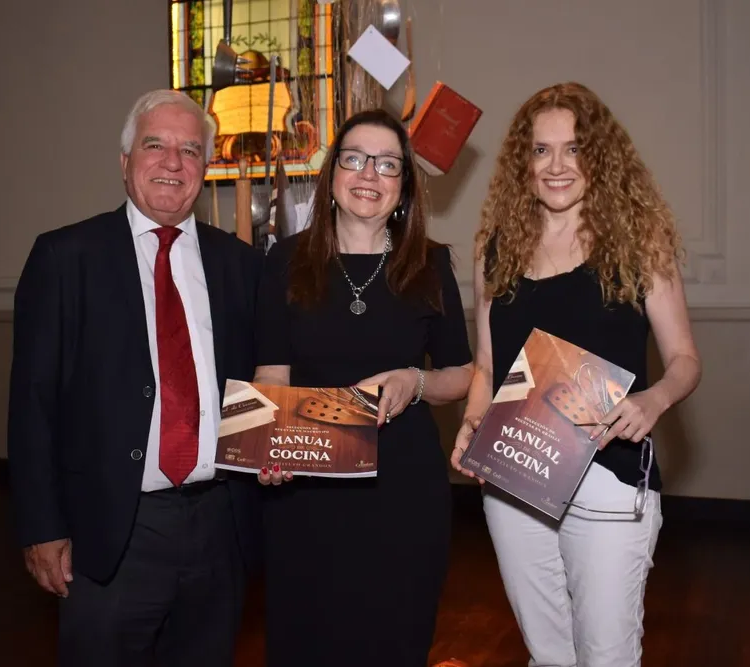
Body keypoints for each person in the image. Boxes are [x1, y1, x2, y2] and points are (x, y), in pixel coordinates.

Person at [7, 89, 264, 667]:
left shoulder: (242, 266)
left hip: (220, 527)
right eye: (155, 145)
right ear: (125, 162)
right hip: (109, 533)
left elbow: (257, 383)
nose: (173, 162)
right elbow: (32, 405)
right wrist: (41, 527)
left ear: (206, 167)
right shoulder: (65, 258)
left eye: (190, 150)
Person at [451, 82, 702, 667]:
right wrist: (471, 421)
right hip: (516, 476)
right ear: (523, 161)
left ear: (600, 156)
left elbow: (686, 360)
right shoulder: (495, 247)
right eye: (541, 150)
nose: (557, 166)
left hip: (609, 478)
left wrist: (655, 400)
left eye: (574, 148)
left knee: (606, 657)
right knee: (548, 656)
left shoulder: (638, 244)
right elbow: (487, 363)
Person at [252, 108, 473, 667]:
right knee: (306, 643)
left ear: (404, 185)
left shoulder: (430, 264)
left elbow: (461, 374)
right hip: (306, 491)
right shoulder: (285, 260)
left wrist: (414, 381)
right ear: (332, 174)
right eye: (354, 159)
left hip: (402, 493)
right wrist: (265, 447)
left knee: (393, 641)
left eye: (387, 164)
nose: (369, 174)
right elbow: (272, 374)